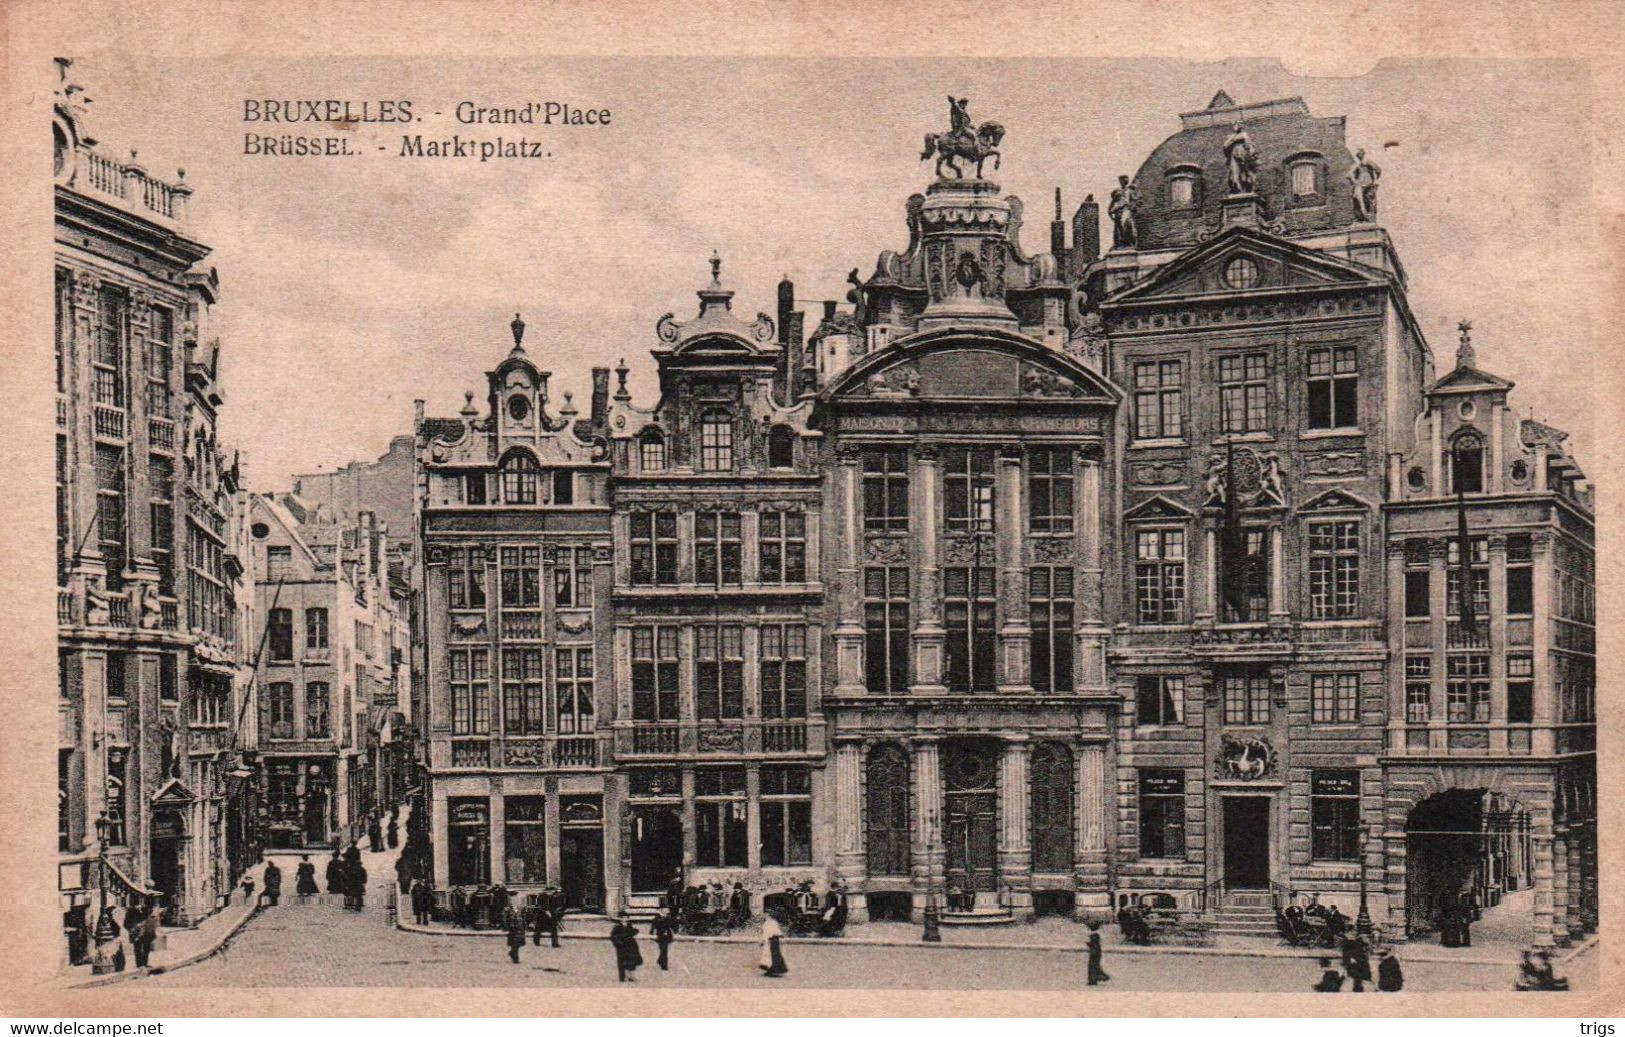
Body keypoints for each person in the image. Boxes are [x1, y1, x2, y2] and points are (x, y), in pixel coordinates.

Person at [610, 914, 642, 982]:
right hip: (621, 947)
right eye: (623, 918)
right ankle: (622, 977)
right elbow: (612, 936)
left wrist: (635, 931)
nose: (625, 919)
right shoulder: (617, 927)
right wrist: (617, 943)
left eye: (626, 918)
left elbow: (632, 932)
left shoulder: (629, 925)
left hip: (630, 946)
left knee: (631, 961)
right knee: (622, 962)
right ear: (620, 919)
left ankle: (631, 976)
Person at [759, 910, 788, 978]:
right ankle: (773, 969)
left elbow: (767, 933)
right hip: (774, 940)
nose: (765, 915)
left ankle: (772, 969)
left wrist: (763, 940)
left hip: (771, 940)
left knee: (771, 955)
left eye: (766, 914)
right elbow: (777, 932)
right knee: (774, 954)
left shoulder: (769, 922)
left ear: (768, 915)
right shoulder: (773, 922)